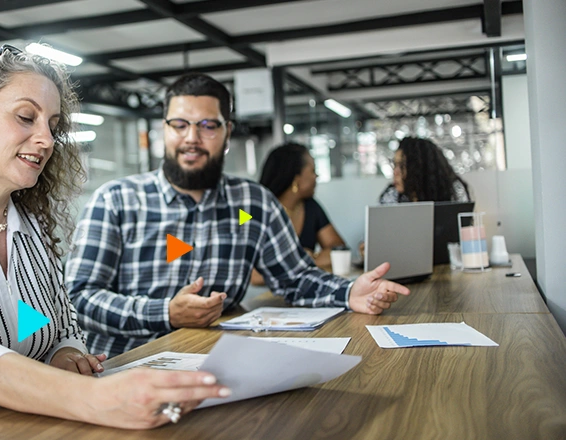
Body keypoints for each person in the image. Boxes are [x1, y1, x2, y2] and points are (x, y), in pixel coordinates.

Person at [0, 46, 228, 438]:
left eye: (52, 125)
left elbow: (57, 321)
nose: (46, 139)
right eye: (25, 117)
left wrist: (66, 352)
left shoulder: (29, 228)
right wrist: (97, 398)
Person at [65, 73, 410, 359]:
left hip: (215, 361)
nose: (192, 138)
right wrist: (165, 312)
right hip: (126, 366)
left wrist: (350, 293)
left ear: (228, 132)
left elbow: (295, 277)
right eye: (180, 124)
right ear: (165, 129)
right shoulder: (116, 201)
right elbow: (79, 297)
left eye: (207, 126)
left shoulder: (253, 204)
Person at [255, 142, 346, 273]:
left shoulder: (311, 207)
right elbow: (253, 272)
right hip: (260, 293)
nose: (316, 176)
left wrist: (305, 260)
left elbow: (339, 251)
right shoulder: (251, 211)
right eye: (313, 171)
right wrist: (303, 259)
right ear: (296, 179)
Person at [379, 136, 471, 204]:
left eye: (402, 166)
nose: (395, 172)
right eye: (395, 165)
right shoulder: (392, 197)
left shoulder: (453, 192)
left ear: (419, 168)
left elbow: (462, 226)